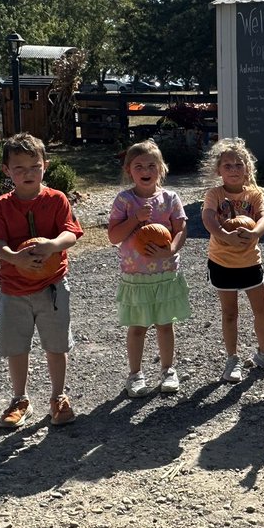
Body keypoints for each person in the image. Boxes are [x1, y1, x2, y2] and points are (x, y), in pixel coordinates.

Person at [0, 133, 83, 428]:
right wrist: (16, 258)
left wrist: (53, 245)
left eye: (34, 166)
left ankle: (58, 396)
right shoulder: (1, 205)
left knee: (56, 345)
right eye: (19, 168)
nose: (28, 174)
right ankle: (20, 399)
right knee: (17, 346)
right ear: (6, 170)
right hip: (14, 289)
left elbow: (71, 233)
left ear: (46, 166)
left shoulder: (56, 199)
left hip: (51, 285)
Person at [107, 139, 190, 398]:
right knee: (138, 327)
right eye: (139, 165)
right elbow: (113, 236)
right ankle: (135, 374)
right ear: (129, 170)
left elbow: (181, 229)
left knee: (165, 325)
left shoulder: (170, 198)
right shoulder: (124, 200)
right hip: (136, 275)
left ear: (161, 169)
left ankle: (168, 370)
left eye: (152, 165)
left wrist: (172, 249)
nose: (146, 170)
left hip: (165, 273)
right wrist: (135, 219)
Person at [201, 138, 264, 383]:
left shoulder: (255, 194)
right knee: (230, 313)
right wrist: (224, 235)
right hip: (222, 262)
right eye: (227, 165)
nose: (234, 170)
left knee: (262, 310)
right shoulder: (214, 194)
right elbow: (208, 218)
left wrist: (255, 233)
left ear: (247, 168)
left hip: (250, 261)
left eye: (239, 165)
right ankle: (232, 359)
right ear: (219, 170)